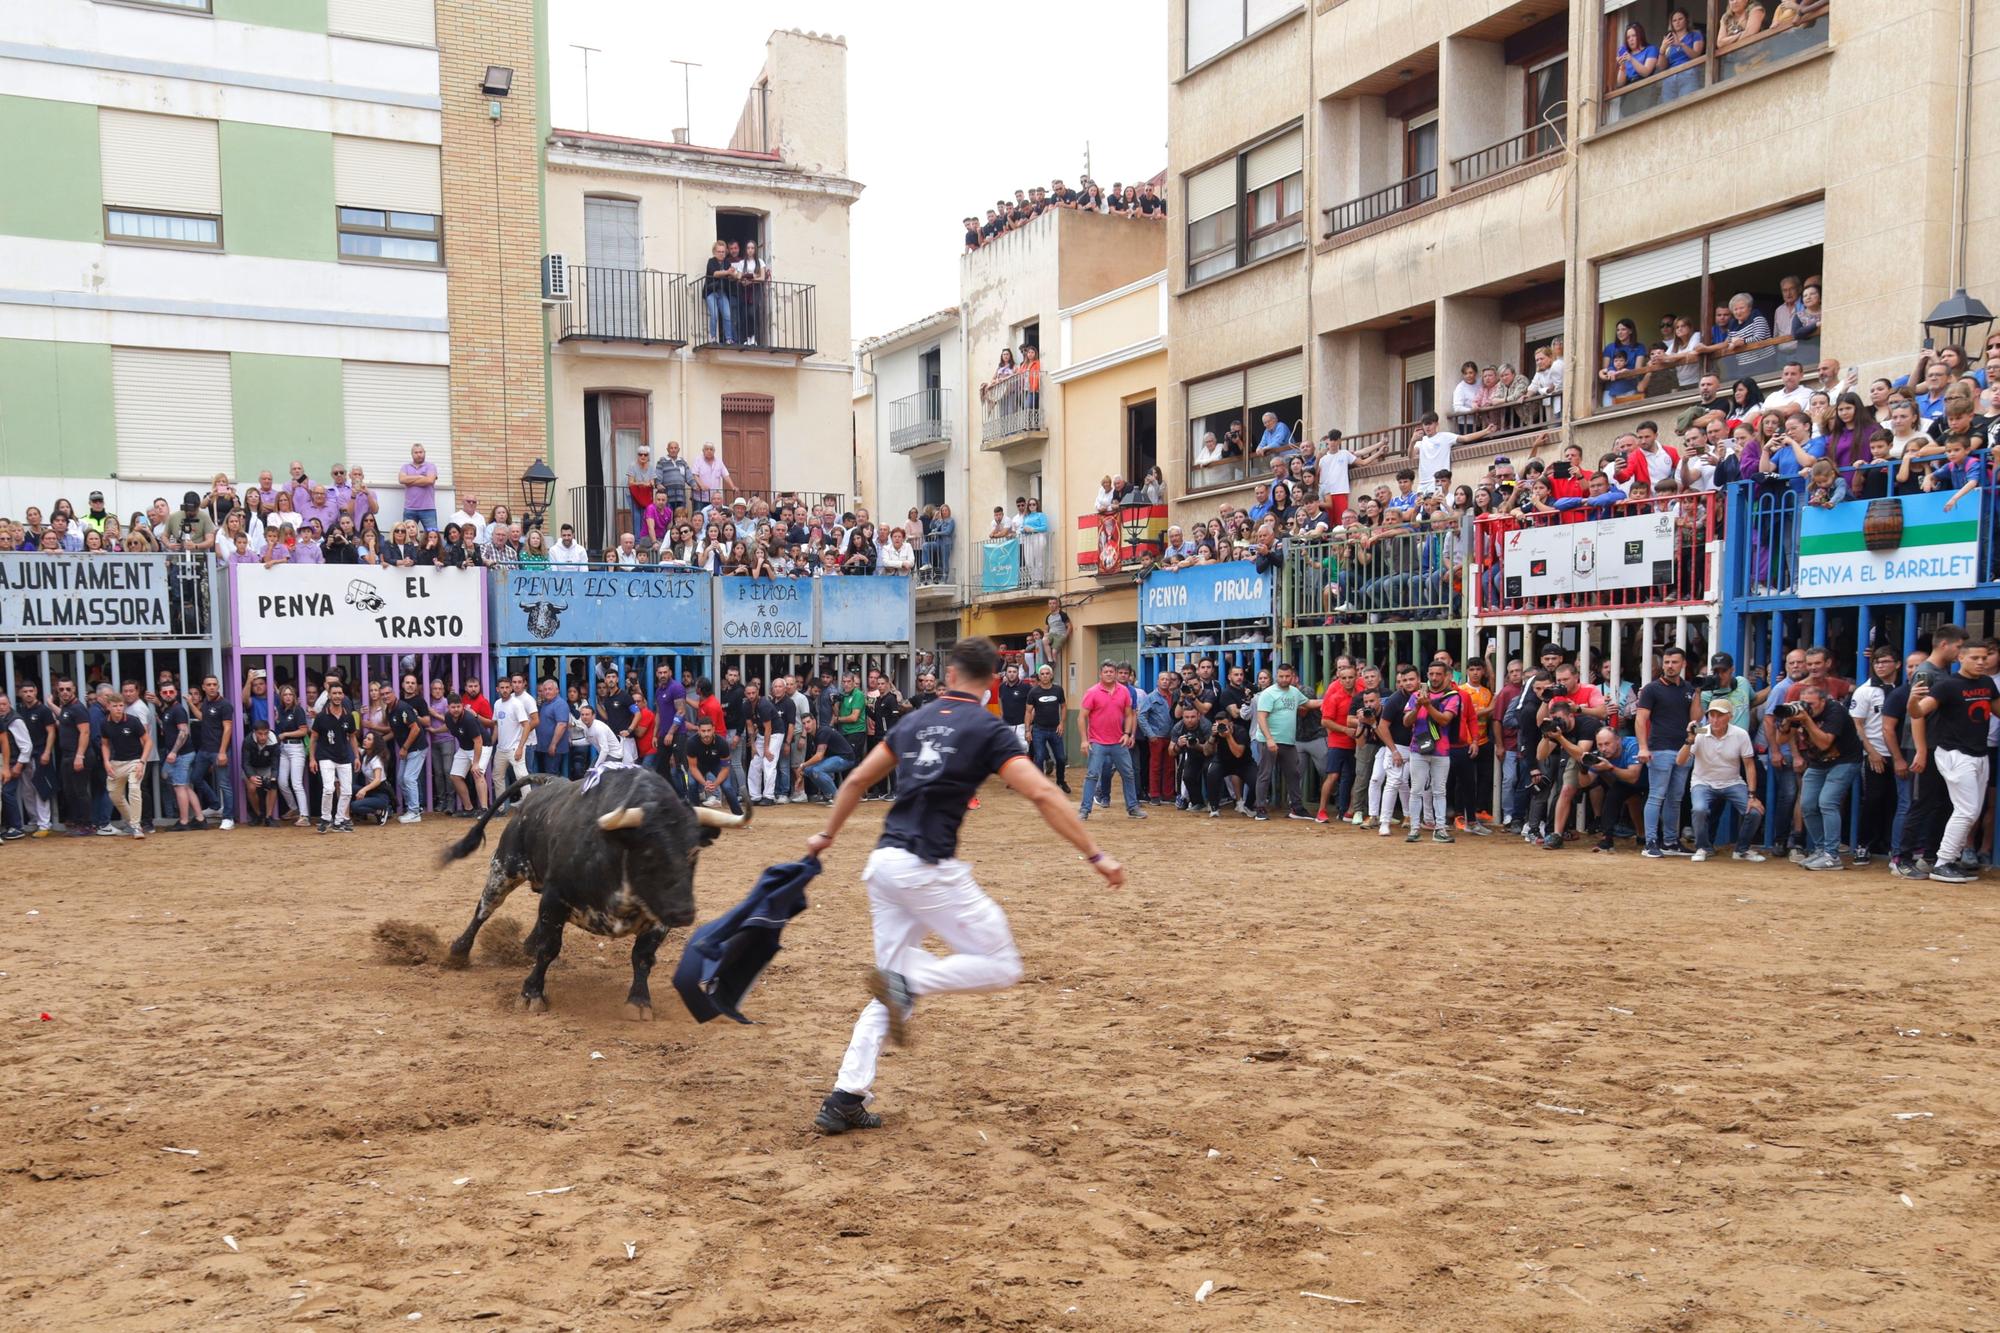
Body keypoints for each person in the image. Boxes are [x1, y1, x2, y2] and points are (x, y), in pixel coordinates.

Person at [803, 637, 1124, 1135]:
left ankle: (846, 1095)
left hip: (884, 865)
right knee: (1000, 965)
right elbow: (1041, 791)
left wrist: (826, 835)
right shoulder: (989, 728)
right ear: (993, 683)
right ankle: (908, 982)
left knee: (890, 989)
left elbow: (854, 783)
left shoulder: (912, 720)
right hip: (929, 868)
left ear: (949, 675)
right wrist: (1096, 854)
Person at [1908, 635, 1996, 884]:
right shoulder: (1948, 685)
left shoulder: (1988, 683)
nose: (1981, 662)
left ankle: (1949, 860)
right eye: (1975, 658)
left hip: (1980, 753)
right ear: (1960, 658)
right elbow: (1918, 713)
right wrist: (1912, 699)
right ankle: (1943, 861)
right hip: (1954, 754)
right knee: (1967, 810)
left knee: (1972, 811)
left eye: (1984, 657)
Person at [1679, 701, 1766, 862]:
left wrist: (1752, 795)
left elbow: (1749, 765)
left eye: (1720, 715)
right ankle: (1702, 847)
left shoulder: (1740, 734)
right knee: (1699, 809)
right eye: (1712, 715)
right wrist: (1690, 739)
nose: (1715, 719)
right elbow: (1680, 761)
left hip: (1733, 782)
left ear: (1730, 717)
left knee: (1754, 811)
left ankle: (1741, 850)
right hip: (1702, 782)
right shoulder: (1700, 732)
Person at [1634, 646, 1699, 857]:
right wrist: (1643, 747)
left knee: (1675, 798)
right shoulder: (1652, 688)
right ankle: (1650, 842)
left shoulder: (1689, 688)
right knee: (1656, 796)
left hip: (1683, 748)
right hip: (1660, 748)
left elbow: (1695, 719)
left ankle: (1670, 842)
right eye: (1667, 662)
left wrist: (1698, 691)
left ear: (1683, 664)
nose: (1670, 667)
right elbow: (1640, 719)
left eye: (1674, 662)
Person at [1077, 661, 1141, 820]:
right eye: (1106, 671)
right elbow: (1081, 717)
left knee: (1128, 774)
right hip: (1097, 742)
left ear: (1115, 673)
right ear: (1100, 674)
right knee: (1092, 775)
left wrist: (1127, 733)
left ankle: (1133, 808)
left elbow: (1129, 714)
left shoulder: (1124, 691)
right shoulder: (1092, 692)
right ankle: (1085, 810)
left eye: (1112, 671)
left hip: (1118, 741)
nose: (1109, 674)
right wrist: (1084, 740)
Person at [309, 681, 359, 833]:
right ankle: (325, 818)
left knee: (347, 791)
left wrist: (356, 756)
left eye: (339, 693)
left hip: (344, 756)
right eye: (334, 693)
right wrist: (312, 759)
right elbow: (313, 738)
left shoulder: (348, 716)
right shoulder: (321, 717)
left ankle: (339, 819)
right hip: (325, 756)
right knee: (329, 788)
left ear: (343, 695)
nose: (337, 696)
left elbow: (352, 737)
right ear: (329, 695)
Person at [685, 715, 743, 815]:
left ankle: (740, 816)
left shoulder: (722, 743)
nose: (706, 734)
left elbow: (725, 768)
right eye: (703, 731)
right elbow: (693, 767)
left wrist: (715, 784)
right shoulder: (691, 743)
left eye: (709, 730)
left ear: (713, 730)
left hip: (717, 765)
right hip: (699, 766)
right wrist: (704, 783)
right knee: (692, 784)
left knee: (727, 787)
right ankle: (694, 817)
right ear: (698, 730)